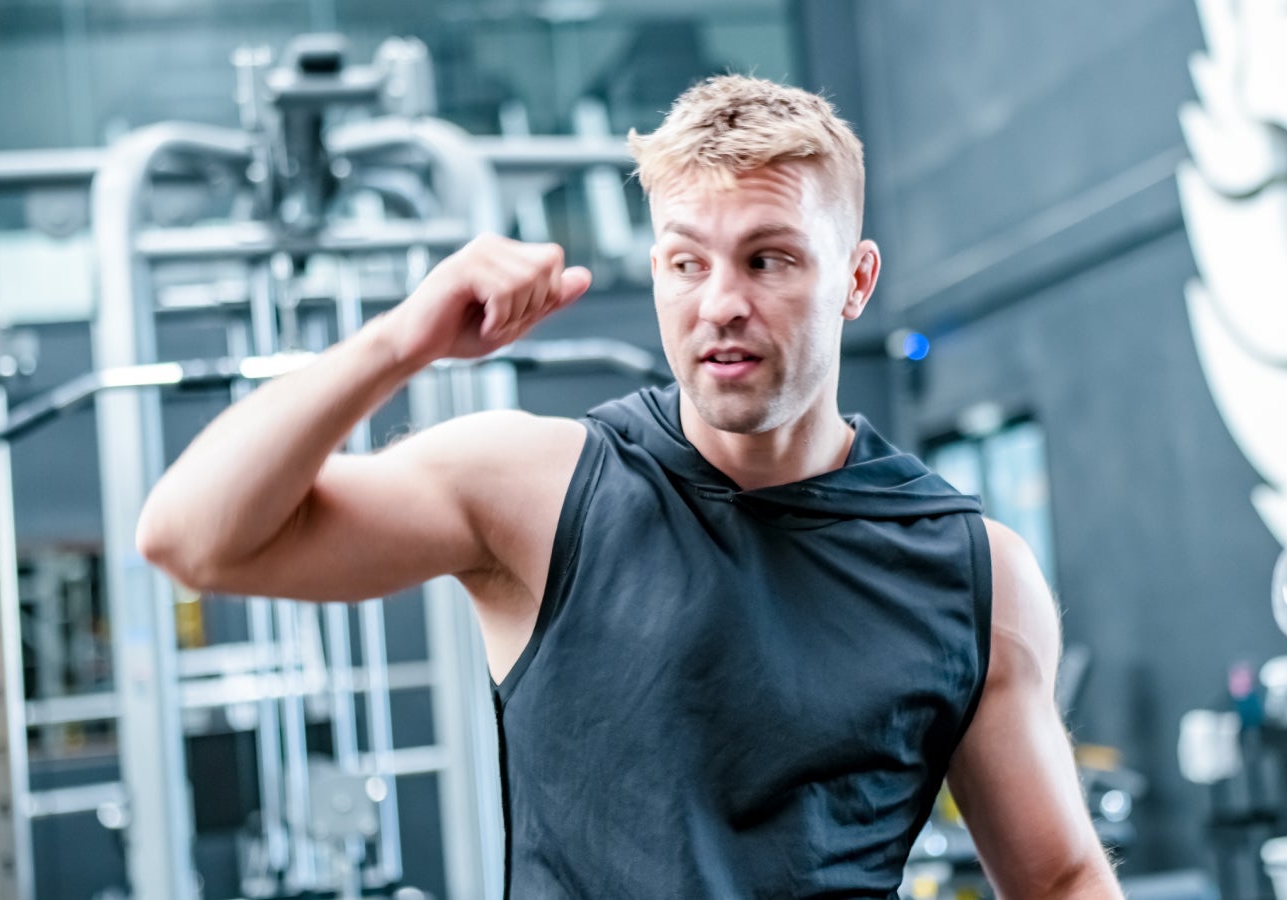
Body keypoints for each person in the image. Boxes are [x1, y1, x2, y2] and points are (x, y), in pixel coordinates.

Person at [138, 75, 1120, 899]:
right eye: (686, 261)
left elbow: (1062, 877)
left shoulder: (972, 572)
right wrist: (404, 340)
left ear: (855, 281)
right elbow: (193, 536)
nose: (721, 303)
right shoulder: (538, 487)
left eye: (769, 258)